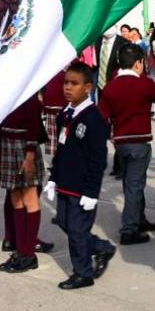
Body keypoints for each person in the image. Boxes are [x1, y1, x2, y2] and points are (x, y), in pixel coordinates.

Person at [43, 61, 116, 290]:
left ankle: (83, 273)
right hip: (65, 182)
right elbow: (61, 149)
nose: (68, 87)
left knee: (76, 230)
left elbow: (98, 159)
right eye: (66, 82)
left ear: (87, 87)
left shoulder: (94, 118)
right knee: (65, 223)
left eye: (74, 84)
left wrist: (92, 192)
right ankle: (101, 247)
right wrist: (53, 178)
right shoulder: (65, 114)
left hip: (82, 187)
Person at [101, 41, 155, 245]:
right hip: (139, 140)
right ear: (138, 63)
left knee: (131, 182)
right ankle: (129, 229)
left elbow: (103, 115)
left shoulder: (110, 87)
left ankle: (139, 218)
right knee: (135, 185)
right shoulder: (144, 84)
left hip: (120, 142)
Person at [0, 93, 48, 273]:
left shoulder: (27, 92)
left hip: (23, 146)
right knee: (16, 199)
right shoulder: (7, 88)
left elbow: (34, 122)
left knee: (30, 198)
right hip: (6, 142)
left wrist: (30, 154)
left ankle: (29, 254)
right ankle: (21, 250)